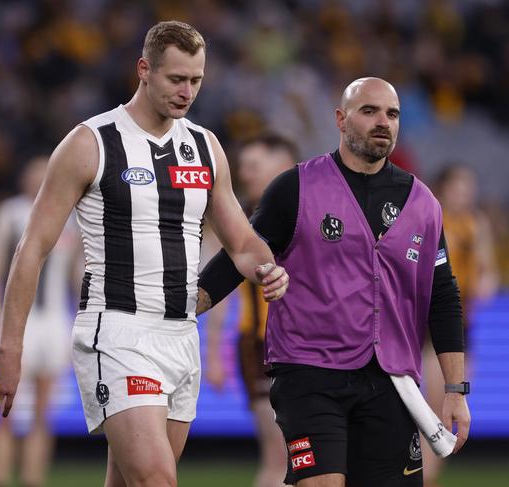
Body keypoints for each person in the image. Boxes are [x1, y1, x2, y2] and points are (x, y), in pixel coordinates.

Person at [0, 21, 289, 487]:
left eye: (196, 80)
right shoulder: (91, 142)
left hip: (182, 335)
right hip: (117, 330)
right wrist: (10, 348)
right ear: (144, 70)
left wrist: (268, 268)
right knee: (157, 480)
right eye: (176, 79)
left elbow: (241, 242)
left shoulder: (204, 147)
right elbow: (33, 247)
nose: (187, 92)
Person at [198, 77, 471, 487]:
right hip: (309, 373)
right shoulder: (295, 187)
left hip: (391, 379)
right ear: (341, 120)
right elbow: (239, 254)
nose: (383, 121)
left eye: (392, 114)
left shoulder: (422, 203)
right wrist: (184, 306)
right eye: (369, 111)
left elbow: (444, 296)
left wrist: (455, 389)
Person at [0, 156, 83, 487]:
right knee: (3, 413)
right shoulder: (10, 214)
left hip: (54, 322)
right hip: (19, 322)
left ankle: (33, 478)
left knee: (42, 412)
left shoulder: (70, 219)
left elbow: (77, 275)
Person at [204, 134, 299, 487]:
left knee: (305, 460)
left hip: (308, 349)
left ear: (283, 166)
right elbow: (217, 291)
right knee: (279, 459)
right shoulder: (237, 221)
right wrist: (213, 354)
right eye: (243, 167)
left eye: (253, 166)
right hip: (261, 348)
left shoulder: (308, 214)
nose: (244, 175)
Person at [421, 164, 498, 487]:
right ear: (444, 188)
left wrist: (484, 285)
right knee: (432, 412)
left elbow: (488, 273)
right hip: (429, 324)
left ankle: (426, 476)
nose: (465, 193)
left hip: (461, 324)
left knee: (443, 414)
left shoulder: (475, 224)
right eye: (459, 186)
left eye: (469, 187)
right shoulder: (432, 219)